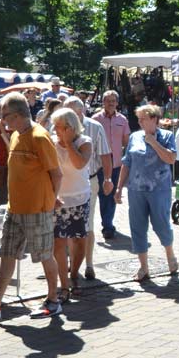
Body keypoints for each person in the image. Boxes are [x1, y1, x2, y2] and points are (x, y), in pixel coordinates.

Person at [0, 92, 63, 321]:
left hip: (38, 209)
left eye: (5, 115)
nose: (2, 120)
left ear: (19, 115)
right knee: (7, 255)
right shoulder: (17, 134)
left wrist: (50, 201)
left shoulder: (40, 137)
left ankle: (53, 300)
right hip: (15, 208)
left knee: (44, 255)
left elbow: (57, 175)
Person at [116, 104, 178, 283]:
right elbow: (127, 162)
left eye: (143, 118)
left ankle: (170, 255)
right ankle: (143, 267)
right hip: (136, 189)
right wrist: (120, 187)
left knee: (161, 224)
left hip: (159, 190)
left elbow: (171, 159)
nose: (139, 121)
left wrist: (153, 142)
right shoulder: (135, 137)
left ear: (153, 118)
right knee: (137, 227)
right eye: (139, 118)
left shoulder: (166, 136)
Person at [64, 98, 112, 281]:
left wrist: (108, 179)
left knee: (88, 224)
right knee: (66, 224)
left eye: (71, 114)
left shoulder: (94, 127)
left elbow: (105, 154)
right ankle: (70, 262)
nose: (67, 118)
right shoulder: (61, 125)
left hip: (88, 181)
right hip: (65, 183)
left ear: (80, 112)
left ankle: (89, 264)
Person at [50, 108, 92, 301]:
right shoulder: (50, 142)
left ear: (71, 127)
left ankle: (74, 274)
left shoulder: (84, 143)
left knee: (78, 240)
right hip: (57, 199)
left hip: (79, 199)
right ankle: (63, 283)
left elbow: (79, 164)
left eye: (59, 127)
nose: (55, 130)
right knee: (57, 242)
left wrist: (67, 143)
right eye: (55, 127)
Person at [93, 90, 131, 245]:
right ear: (103, 102)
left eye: (113, 101)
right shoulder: (96, 119)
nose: (111, 104)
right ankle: (107, 224)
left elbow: (126, 141)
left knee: (112, 194)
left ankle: (107, 225)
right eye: (108, 101)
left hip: (116, 164)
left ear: (117, 103)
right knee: (104, 194)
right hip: (100, 164)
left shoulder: (122, 119)